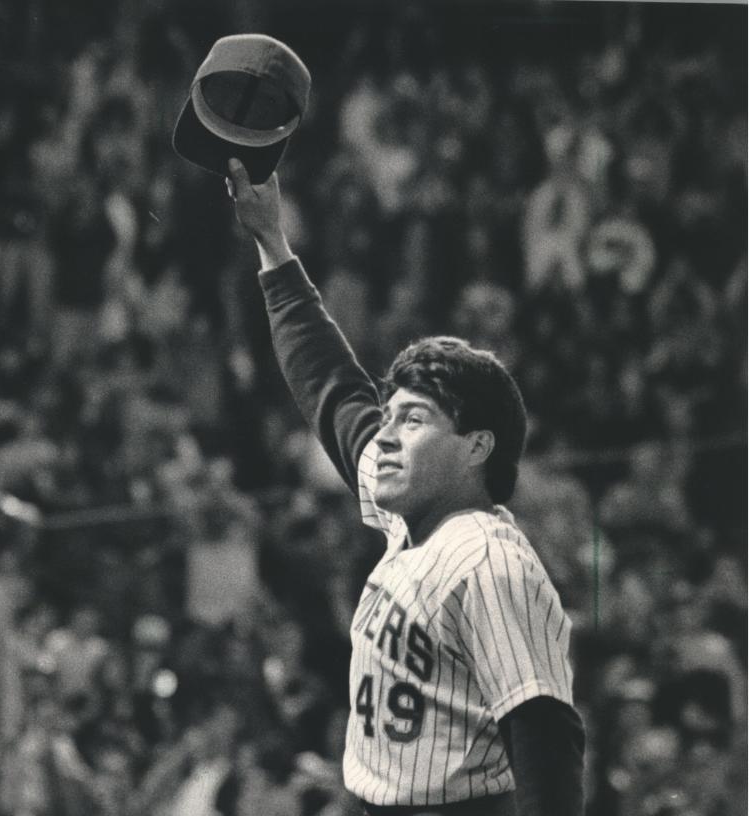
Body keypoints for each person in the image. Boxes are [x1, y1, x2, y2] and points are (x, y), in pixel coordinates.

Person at [225, 158, 585, 816]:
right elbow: (331, 388)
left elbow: (546, 748)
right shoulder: (409, 519)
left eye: (412, 419)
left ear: (476, 447)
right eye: (388, 416)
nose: (384, 433)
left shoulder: (488, 563)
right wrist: (272, 243)